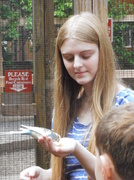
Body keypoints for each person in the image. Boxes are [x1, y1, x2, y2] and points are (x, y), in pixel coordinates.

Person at [20, 11, 134, 180]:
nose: (77, 65)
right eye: (69, 58)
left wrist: (76, 149)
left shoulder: (126, 104)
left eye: (85, 56)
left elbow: (115, 174)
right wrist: (43, 175)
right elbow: (72, 172)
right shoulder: (65, 107)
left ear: (102, 52)